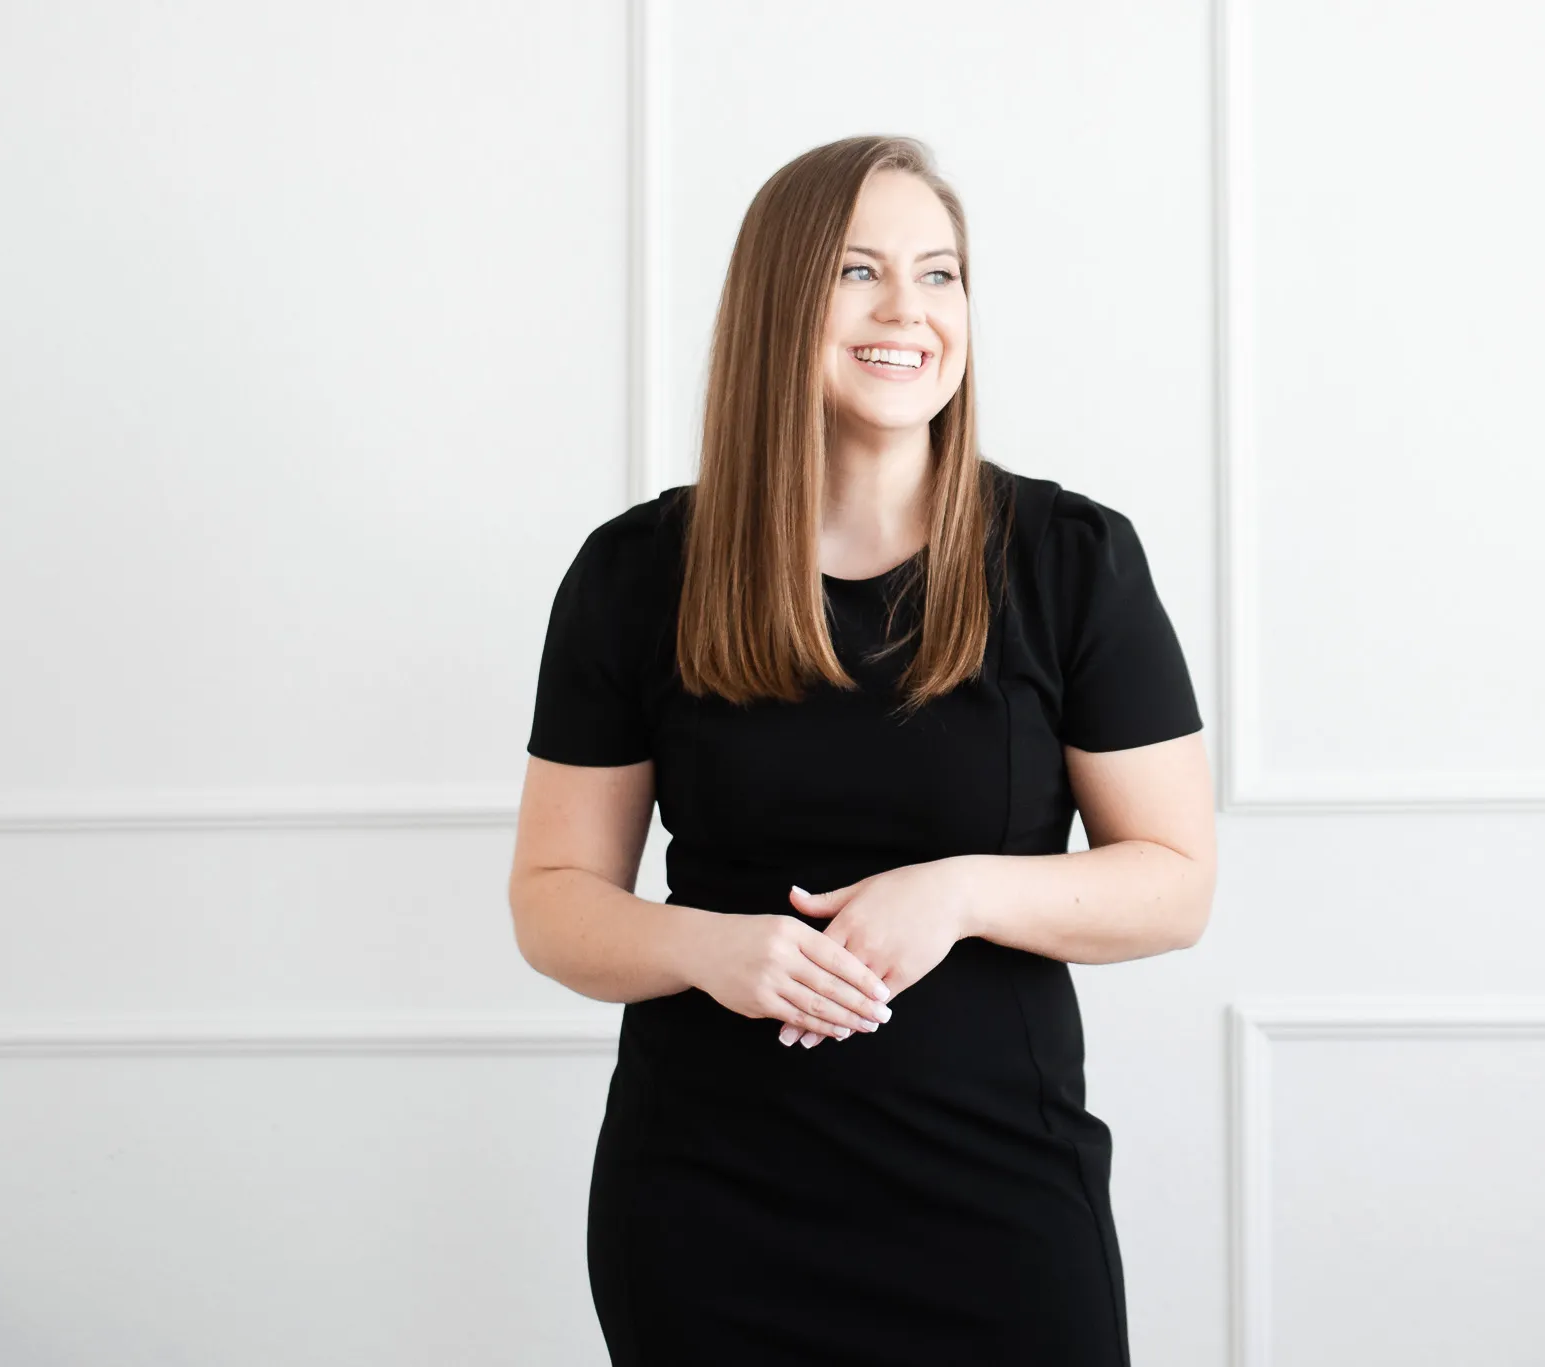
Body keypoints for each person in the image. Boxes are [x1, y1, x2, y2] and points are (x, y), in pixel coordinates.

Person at [507, 134, 1216, 1366]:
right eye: (858, 272)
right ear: (783, 298)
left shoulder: (1069, 559)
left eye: (939, 275)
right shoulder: (636, 574)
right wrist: (709, 946)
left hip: (996, 1202)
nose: (908, 311)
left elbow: (1175, 879)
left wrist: (960, 890)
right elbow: (552, 902)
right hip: (708, 1210)